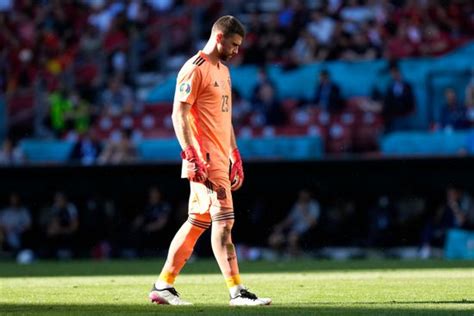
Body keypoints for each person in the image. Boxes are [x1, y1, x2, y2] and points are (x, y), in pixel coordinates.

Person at [148, 15, 271, 306]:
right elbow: (178, 114)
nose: (237, 50)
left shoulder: (224, 71)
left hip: (219, 157)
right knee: (225, 223)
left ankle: (163, 285)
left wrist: (235, 155)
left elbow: (224, 120)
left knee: (197, 222)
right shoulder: (195, 69)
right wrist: (190, 154)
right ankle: (237, 292)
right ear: (219, 38)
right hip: (204, 159)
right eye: (234, 44)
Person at [268, 189, 320, 257]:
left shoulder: (314, 205)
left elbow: (313, 223)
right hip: (293, 230)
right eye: (301, 194)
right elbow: (290, 219)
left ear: (309, 195)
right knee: (273, 239)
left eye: (304, 194)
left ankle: (295, 257)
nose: (302, 196)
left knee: (292, 237)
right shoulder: (297, 204)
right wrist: (280, 226)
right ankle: (279, 257)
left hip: (307, 232)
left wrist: (304, 211)